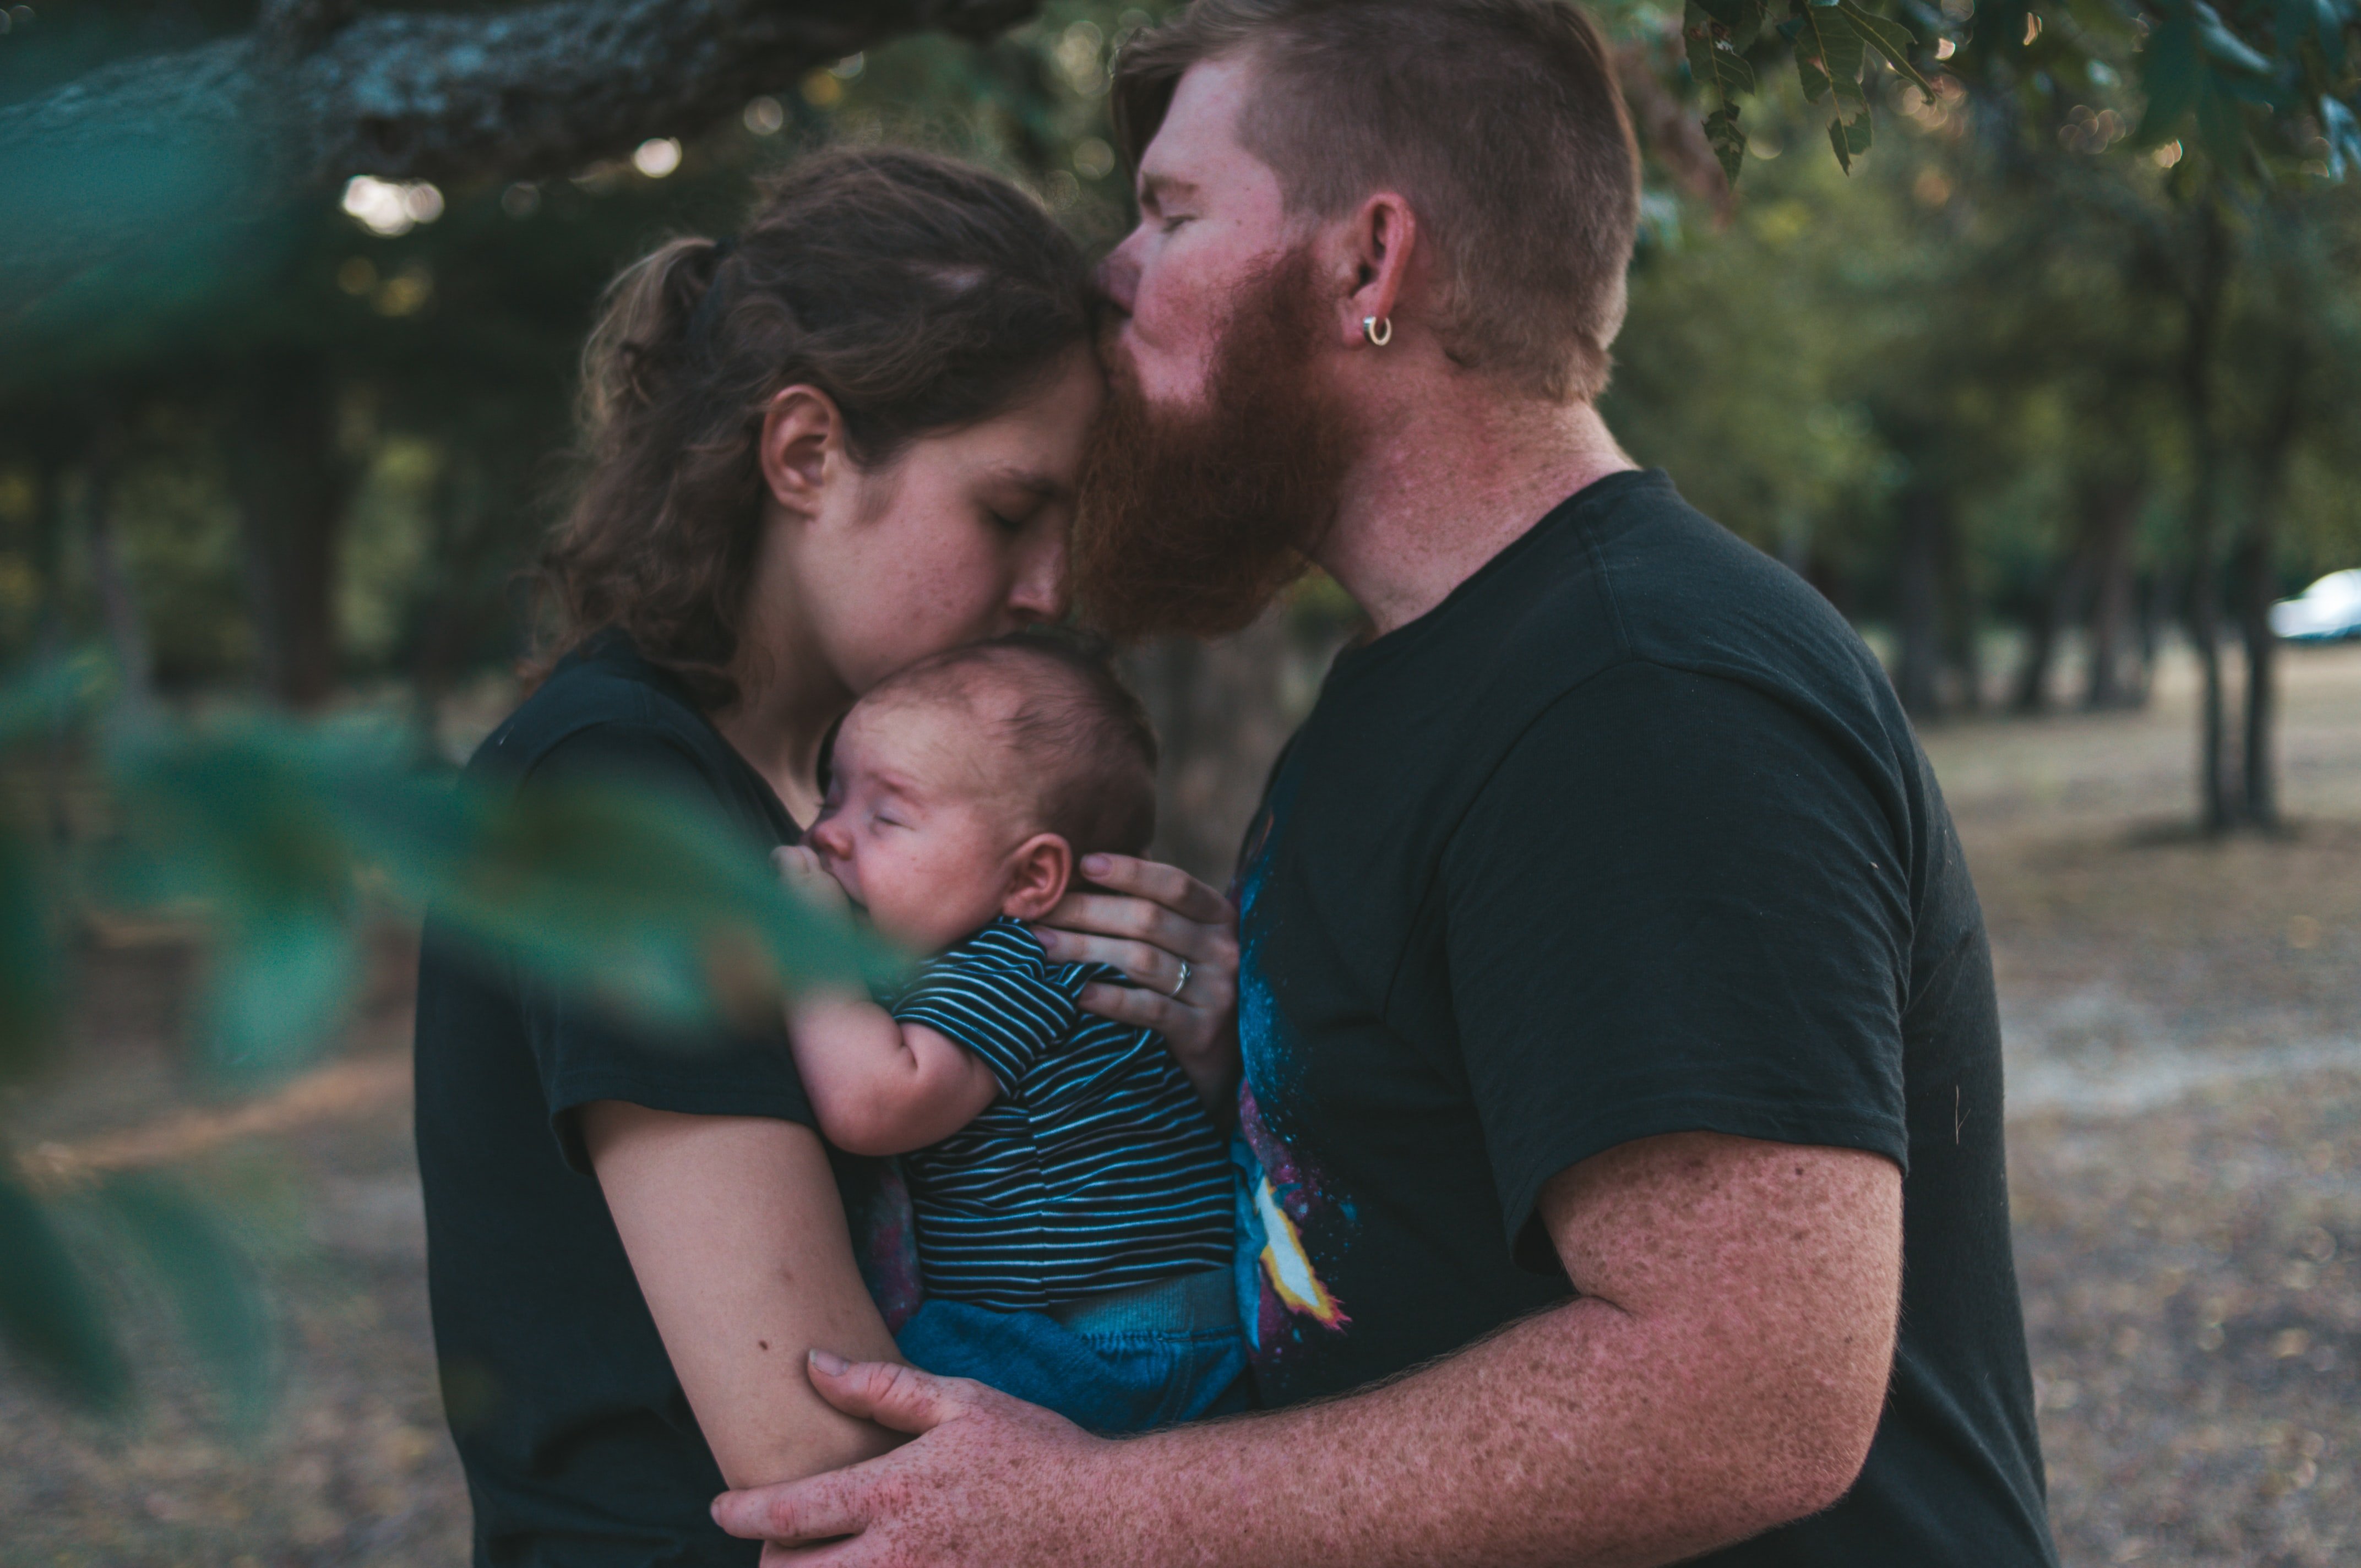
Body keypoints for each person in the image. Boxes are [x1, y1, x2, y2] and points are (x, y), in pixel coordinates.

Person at [713, 4, 2061, 1566]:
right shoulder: (1416, 680)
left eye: (1171, 213)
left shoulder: (1640, 693)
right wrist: (1256, 1077)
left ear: (1370, 264)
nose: (1111, 273)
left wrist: (1099, 1512)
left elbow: (1747, 1391)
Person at [411, 147, 1243, 1567]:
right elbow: (828, 1456)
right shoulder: (620, 793)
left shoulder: (825, 816)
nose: (1048, 584)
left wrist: (1186, 1064)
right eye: (1005, 509)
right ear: (805, 454)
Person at [775, 633, 1246, 1433]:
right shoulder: (1010, 951)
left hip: (1099, 1345)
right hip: (1147, 1333)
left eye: (886, 815)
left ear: (1033, 877)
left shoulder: (1022, 954)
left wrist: (803, 948)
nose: (829, 834)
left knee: (877, 1409)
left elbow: (876, 1103)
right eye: (831, 795)